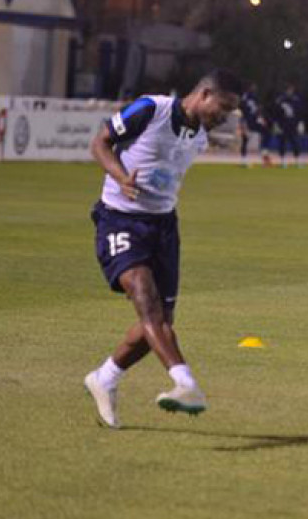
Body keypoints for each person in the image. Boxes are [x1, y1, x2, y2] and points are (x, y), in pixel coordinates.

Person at [84, 69, 244, 429]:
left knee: (158, 324)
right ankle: (186, 384)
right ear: (204, 94)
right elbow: (99, 144)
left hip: (164, 228)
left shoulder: (199, 136)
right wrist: (121, 176)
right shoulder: (150, 110)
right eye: (223, 107)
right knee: (145, 296)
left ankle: (104, 378)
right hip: (121, 219)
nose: (224, 117)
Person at [238, 82, 271, 167]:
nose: (254, 89)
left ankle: (264, 156)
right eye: (253, 87)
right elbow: (241, 110)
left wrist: (261, 118)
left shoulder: (254, 97)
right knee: (245, 139)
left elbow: (257, 110)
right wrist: (242, 123)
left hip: (254, 120)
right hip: (247, 121)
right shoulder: (244, 97)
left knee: (266, 132)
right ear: (248, 87)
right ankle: (243, 161)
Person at [274, 83, 303, 168]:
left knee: (296, 143)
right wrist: (277, 124)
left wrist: (300, 123)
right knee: (283, 143)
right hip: (283, 125)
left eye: (291, 90)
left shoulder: (295, 100)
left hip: (293, 125)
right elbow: (276, 113)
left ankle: (297, 161)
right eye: (289, 89)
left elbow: (299, 113)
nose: (290, 91)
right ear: (286, 90)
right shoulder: (280, 100)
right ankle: (283, 162)